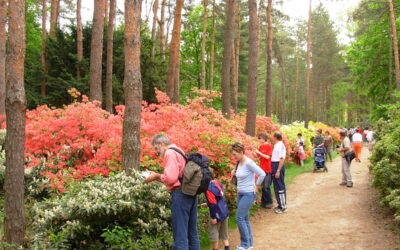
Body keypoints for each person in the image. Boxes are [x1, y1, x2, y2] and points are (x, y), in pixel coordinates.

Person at [145, 134, 200, 250]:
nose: (156, 152)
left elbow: (171, 178)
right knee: (192, 232)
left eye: (156, 148)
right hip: (191, 192)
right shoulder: (178, 150)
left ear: (161, 144)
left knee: (180, 234)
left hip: (180, 194)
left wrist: (156, 176)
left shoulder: (169, 153)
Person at [231, 142, 265, 250]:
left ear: (241, 152)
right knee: (244, 218)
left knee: (239, 218)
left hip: (248, 194)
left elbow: (262, 174)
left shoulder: (249, 163)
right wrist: (234, 172)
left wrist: (256, 186)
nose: (233, 156)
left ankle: (244, 245)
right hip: (240, 193)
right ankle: (249, 244)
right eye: (233, 154)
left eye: (235, 154)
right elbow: (241, 174)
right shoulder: (239, 162)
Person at [203, 177, 230, 250]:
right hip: (224, 212)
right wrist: (207, 203)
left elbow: (213, 204)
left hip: (216, 213)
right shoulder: (217, 183)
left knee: (214, 233)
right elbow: (218, 199)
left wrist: (213, 217)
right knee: (224, 233)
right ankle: (227, 247)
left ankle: (215, 248)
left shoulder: (208, 188)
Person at [253, 133, 273, 209]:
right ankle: (264, 202)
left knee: (266, 186)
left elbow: (268, 157)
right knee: (262, 186)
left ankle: (270, 202)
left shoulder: (269, 146)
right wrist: (254, 152)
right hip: (261, 169)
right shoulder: (261, 146)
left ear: (264, 138)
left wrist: (259, 152)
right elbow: (257, 156)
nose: (259, 140)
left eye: (260, 138)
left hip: (267, 169)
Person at [271, 132, 287, 214]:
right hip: (274, 165)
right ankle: (280, 205)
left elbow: (282, 159)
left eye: (272, 137)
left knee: (280, 187)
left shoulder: (280, 145)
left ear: (276, 137)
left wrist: (278, 170)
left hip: (277, 166)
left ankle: (283, 206)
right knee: (276, 186)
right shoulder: (276, 145)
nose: (271, 138)